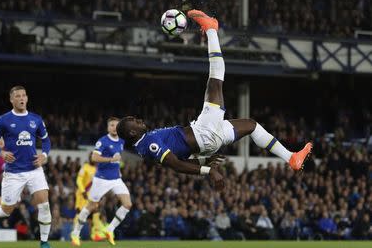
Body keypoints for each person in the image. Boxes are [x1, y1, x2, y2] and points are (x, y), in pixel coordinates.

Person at [116, 10, 312, 190]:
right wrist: (208, 171)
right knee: (215, 79)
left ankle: (291, 158)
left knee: (251, 125)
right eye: (136, 121)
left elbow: (180, 161)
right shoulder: (148, 143)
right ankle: (211, 29)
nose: (140, 120)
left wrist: (204, 162)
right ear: (132, 131)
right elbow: (175, 165)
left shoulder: (145, 145)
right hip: (204, 133)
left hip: (206, 139)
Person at [0, 86, 53, 248]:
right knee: (6, 210)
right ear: (11, 100)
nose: (21, 98)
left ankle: (44, 242)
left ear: (27, 98)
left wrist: (45, 155)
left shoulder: (36, 119)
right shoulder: (4, 120)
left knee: (44, 204)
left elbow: (46, 141)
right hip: (13, 172)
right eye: (17, 96)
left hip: (34, 170)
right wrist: (1, 152)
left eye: (23, 95)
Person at [71, 117, 131, 246]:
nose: (114, 128)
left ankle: (109, 230)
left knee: (127, 204)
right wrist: (111, 159)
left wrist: (118, 168)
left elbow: (118, 160)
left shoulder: (121, 141)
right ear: (108, 128)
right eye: (111, 125)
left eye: (116, 125)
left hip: (116, 179)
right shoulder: (103, 141)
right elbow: (94, 157)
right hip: (101, 179)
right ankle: (75, 233)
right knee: (90, 207)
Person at [74, 152, 106, 241]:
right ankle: (75, 234)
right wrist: (83, 191)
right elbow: (79, 180)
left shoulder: (97, 169)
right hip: (82, 195)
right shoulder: (85, 167)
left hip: (93, 196)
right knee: (80, 213)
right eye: (91, 157)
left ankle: (95, 234)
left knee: (96, 212)